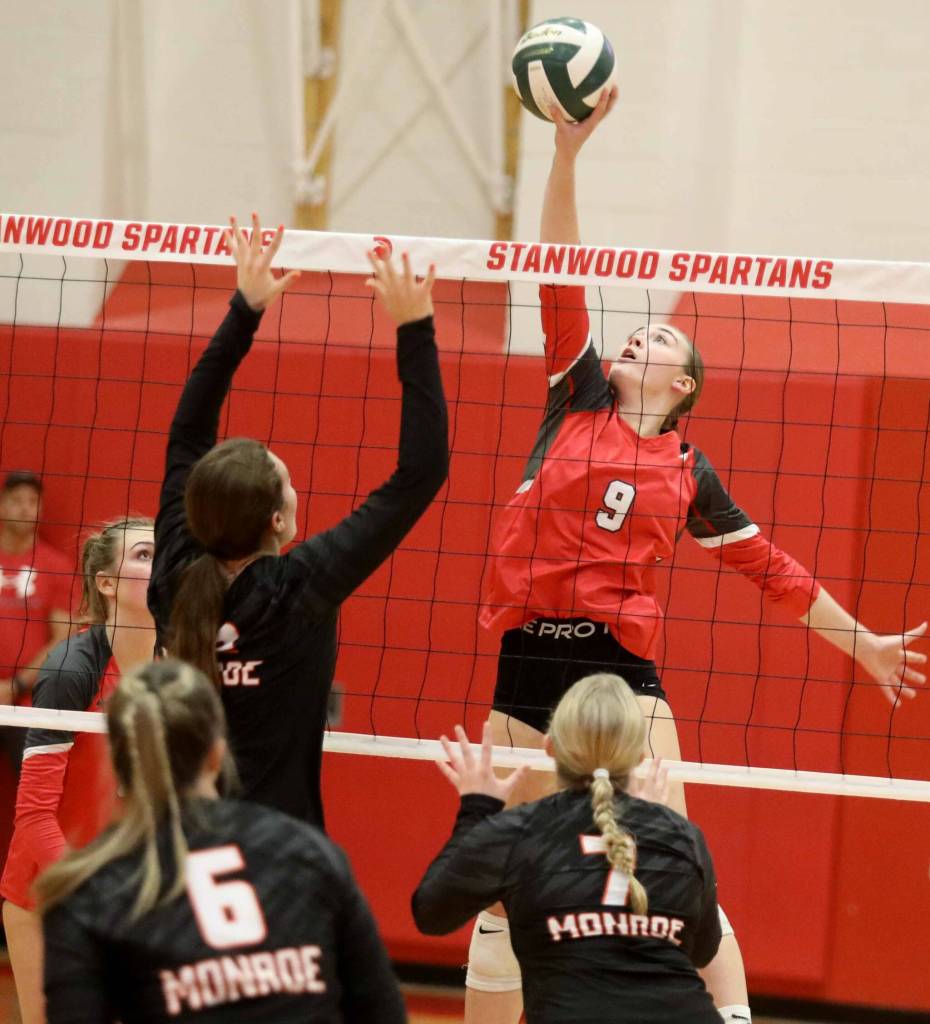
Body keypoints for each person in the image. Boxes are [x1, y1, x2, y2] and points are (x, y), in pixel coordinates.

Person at [475, 87, 927, 1024]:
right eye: (635, 331)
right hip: (527, 659)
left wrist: (868, 646)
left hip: (623, 672)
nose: (639, 336)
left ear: (682, 385)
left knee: (672, 859)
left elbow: (778, 577)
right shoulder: (577, 399)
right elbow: (561, 265)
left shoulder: (688, 468)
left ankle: (732, 1018)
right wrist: (566, 157)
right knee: (494, 878)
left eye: (660, 340)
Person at [148, 215, 448, 829]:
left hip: (175, 836)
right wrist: (414, 327)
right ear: (278, 519)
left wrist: (244, 309)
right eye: (288, 480)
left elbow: (186, 433)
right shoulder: (299, 588)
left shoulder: (174, 574)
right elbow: (422, 472)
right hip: (279, 850)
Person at [38, 658, 407, 1023]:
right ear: (216, 754)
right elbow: (383, 1012)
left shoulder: (89, 892)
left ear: (119, 765)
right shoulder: (309, 852)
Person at [413, 673, 722, 1024]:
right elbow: (703, 951)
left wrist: (477, 808)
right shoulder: (684, 837)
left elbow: (430, 913)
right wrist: (655, 824)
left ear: (549, 747)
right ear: (639, 756)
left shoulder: (519, 833)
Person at [0, 517, 155, 1024]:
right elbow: (34, 816)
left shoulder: (176, 666)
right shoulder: (72, 670)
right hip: (48, 891)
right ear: (106, 583)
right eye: (144, 556)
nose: (162, 566)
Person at [0, 471, 72, 743]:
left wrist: (16, 685)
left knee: (32, 782)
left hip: (30, 702)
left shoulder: (57, 565)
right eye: (17, 499)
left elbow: (63, 636)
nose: (25, 507)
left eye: (33, 500)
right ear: (2, 505)